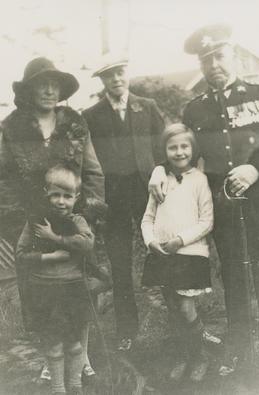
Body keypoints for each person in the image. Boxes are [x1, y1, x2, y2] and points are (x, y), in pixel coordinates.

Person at [148, 24, 259, 375]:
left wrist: (256, 169)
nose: (214, 64)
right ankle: (243, 352)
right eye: (206, 60)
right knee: (234, 278)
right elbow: (181, 153)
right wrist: (160, 170)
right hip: (226, 208)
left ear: (232, 54)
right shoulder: (195, 111)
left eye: (219, 56)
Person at [0, 57, 105, 381]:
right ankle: (52, 360)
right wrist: (14, 224)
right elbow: (3, 178)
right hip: (32, 226)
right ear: (29, 90)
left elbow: (93, 172)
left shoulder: (75, 123)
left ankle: (82, 357)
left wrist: (88, 215)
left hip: (73, 222)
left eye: (54, 84)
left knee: (80, 288)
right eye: (41, 84)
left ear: (60, 89)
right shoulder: (11, 127)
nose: (48, 90)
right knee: (43, 295)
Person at [82, 55, 164, 351]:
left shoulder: (148, 107)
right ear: (102, 81)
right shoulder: (91, 115)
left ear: (126, 74)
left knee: (164, 251)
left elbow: (163, 147)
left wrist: (161, 175)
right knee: (119, 262)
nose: (116, 79)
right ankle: (127, 329)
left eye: (120, 73)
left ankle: (186, 320)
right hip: (113, 199)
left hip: (149, 193)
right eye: (109, 76)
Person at [141, 123, 214, 382]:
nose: (179, 152)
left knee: (185, 307)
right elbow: (147, 219)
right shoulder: (159, 181)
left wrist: (180, 240)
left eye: (185, 146)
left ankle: (199, 356)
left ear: (193, 149)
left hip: (190, 255)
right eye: (173, 147)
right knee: (172, 306)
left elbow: (206, 221)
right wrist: (151, 242)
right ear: (165, 151)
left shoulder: (199, 180)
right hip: (162, 256)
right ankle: (184, 355)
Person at [16, 166, 94, 395]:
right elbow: (20, 256)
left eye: (67, 196)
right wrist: (48, 257)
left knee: (74, 342)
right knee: (53, 343)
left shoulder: (78, 221)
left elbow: (87, 244)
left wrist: (55, 238)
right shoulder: (36, 222)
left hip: (72, 288)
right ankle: (58, 388)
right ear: (46, 194)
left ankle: (75, 385)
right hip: (44, 290)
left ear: (76, 197)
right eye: (55, 195)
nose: (61, 202)